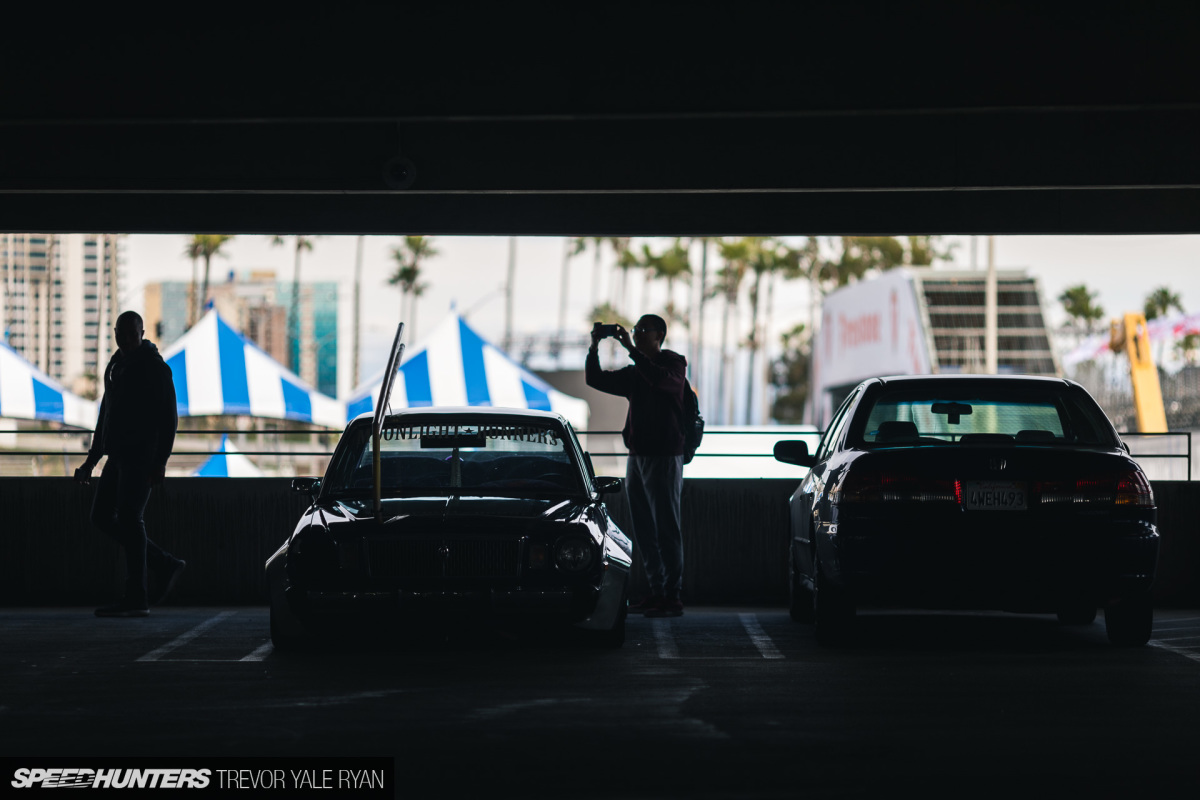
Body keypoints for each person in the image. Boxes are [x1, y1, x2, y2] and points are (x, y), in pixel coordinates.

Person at [75, 311, 184, 617]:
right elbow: (105, 417)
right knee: (104, 517)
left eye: (130, 334)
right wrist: (91, 461)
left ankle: (137, 595)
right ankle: (162, 564)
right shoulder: (116, 367)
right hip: (118, 456)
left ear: (141, 333)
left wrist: (160, 461)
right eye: (119, 333)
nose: (124, 339)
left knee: (129, 518)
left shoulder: (154, 369)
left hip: (141, 457)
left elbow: (169, 419)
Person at [586, 314, 687, 617]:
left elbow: (659, 380)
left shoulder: (674, 364)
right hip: (638, 456)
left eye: (644, 331)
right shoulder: (635, 373)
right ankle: (657, 591)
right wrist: (594, 348)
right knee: (644, 528)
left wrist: (630, 349)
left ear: (660, 335)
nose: (638, 335)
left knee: (666, 526)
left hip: (665, 456)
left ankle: (672, 594)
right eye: (635, 331)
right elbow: (596, 379)